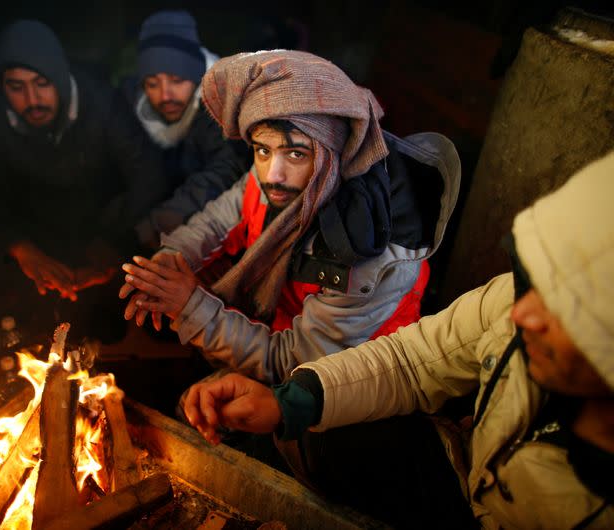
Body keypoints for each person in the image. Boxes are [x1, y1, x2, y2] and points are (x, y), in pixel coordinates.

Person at [183, 151, 614, 529]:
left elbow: (294, 350)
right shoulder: (511, 299)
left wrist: (192, 308)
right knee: (314, 436)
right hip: (470, 472)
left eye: (562, 305)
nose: (523, 314)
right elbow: (413, 361)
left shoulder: (369, 252)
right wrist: (286, 403)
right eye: (531, 280)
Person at [120, 50, 461, 386]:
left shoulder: (371, 252)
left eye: (296, 153)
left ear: (332, 155)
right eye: (262, 150)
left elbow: (297, 363)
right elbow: (215, 222)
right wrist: (166, 265)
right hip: (280, 321)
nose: (273, 174)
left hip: (346, 384)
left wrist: (191, 306)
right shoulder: (276, 177)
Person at [0, 19, 168, 340]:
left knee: (111, 327)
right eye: (16, 87)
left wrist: (113, 245)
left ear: (59, 77)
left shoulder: (102, 104)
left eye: (42, 83)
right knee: (34, 331)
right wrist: (19, 246)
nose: (31, 99)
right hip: (36, 232)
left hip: (104, 226)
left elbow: (148, 174)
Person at [122, 10, 251, 249]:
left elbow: (226, 167)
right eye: (152, 84)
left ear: (197, 76)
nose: (164, 96)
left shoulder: (222, 106)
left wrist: (162, 219)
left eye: (177, 80)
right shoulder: (131, 105)